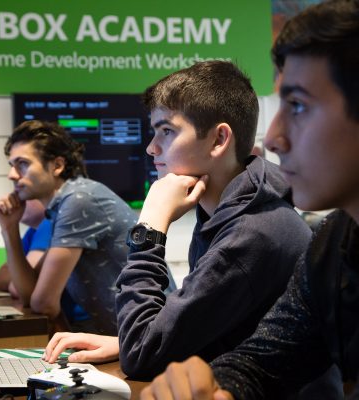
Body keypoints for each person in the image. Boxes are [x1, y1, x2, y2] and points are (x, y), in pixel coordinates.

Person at [140, 0, 359, 398]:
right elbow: (265, 359)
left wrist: (148, 229)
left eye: (297, 105)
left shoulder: (260, 231)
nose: (273, 138)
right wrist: (215, 386)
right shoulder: (337, 240)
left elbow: (147, 351)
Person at [44, 60, 314, 382]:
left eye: (167, 131)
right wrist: (126, 343)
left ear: (218, 140)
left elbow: (142, 358)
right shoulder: (232, 211)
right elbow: (204, 329)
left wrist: (151, 225)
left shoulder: (252, 232)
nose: (151, 148)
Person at [0, 120, 137, 335]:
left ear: (57, 166)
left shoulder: (79, 200)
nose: (12, 175)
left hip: (151, 345)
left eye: (22, 163)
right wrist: (9, 228)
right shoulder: (61, 207)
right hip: (130, 341)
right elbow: (29, 293)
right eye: (12, 165)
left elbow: (44, 304)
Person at [0, 199, 51, 297]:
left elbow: (17, 289)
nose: (17, 201)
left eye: (26, 197)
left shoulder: (49, 223)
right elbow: (1, 278)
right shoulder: (32, 231)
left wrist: (19, 277)